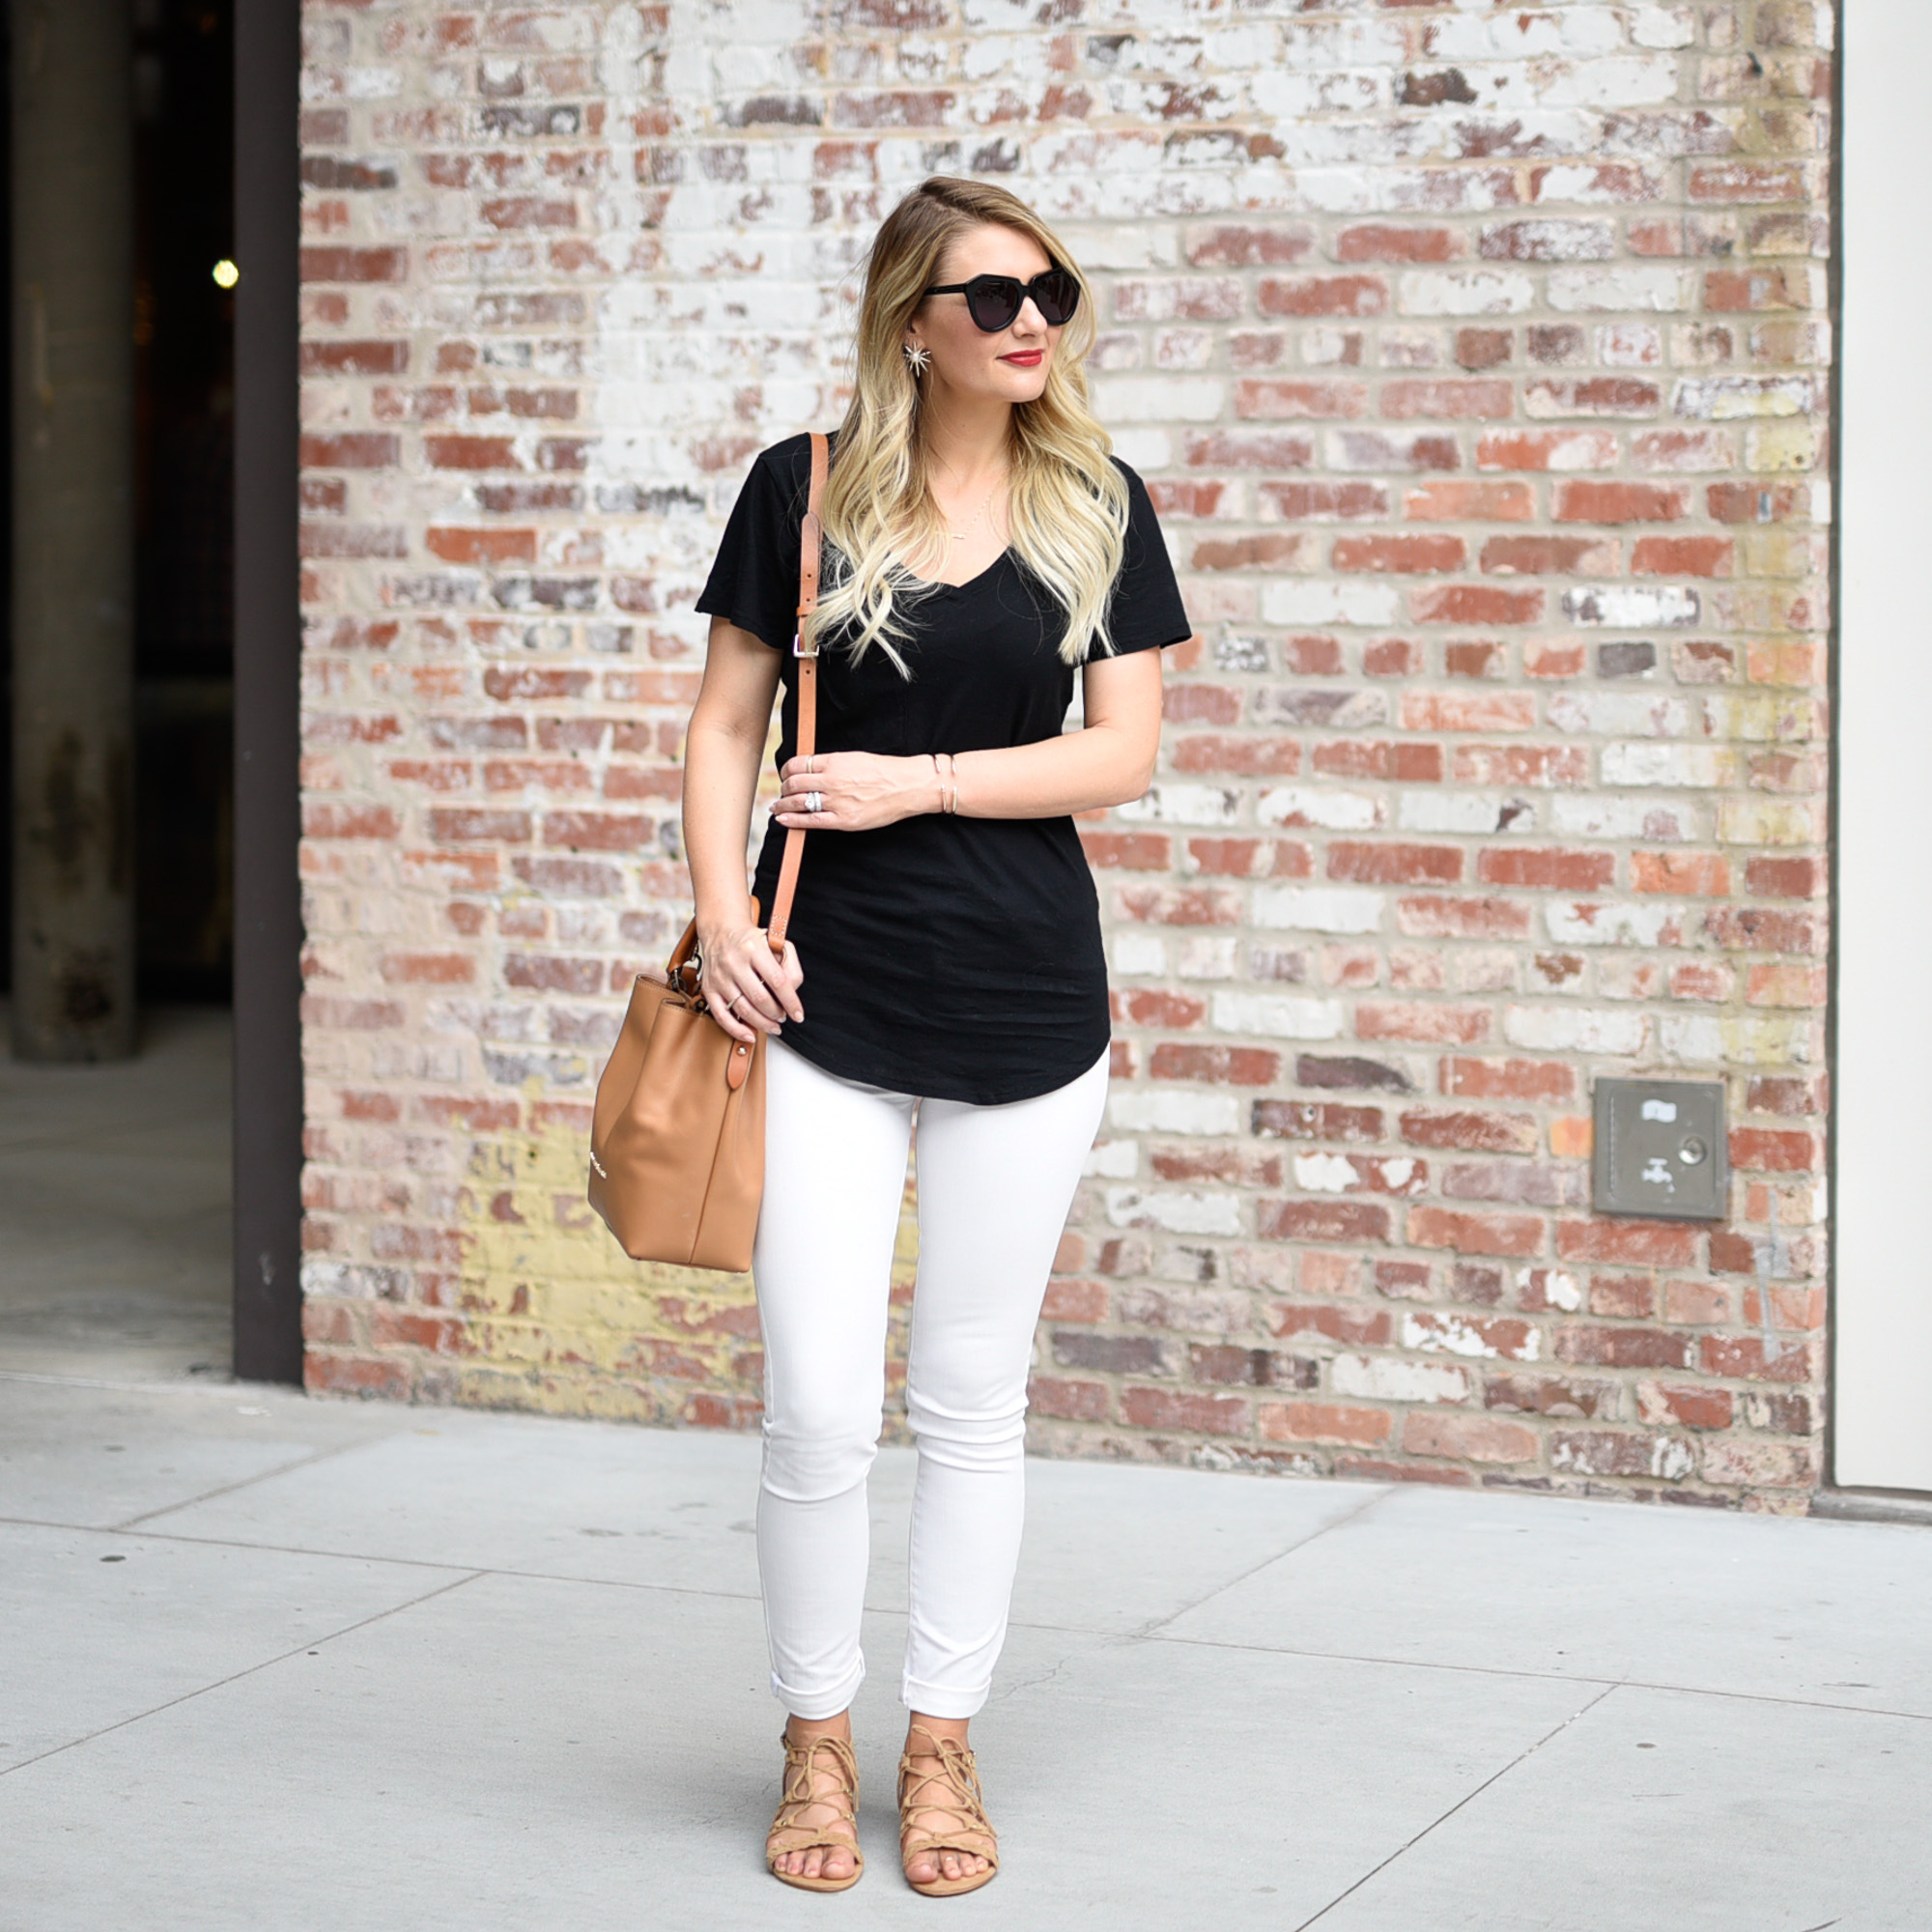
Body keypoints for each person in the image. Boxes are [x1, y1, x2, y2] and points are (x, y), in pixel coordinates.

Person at [682, 175, 1192, 1897]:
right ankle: (814, 1744)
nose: (1032, 317)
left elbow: (1123, 754)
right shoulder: (803, 488)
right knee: (819, 1408)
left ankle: (941, 1739)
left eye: (1050, 285)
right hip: (822, 997)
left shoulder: (1101, 502)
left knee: (974, 1399)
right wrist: (726, 921)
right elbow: (721, 727)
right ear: (916, 324)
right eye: (991, 296)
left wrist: (927, 785)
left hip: (1031, 1000)